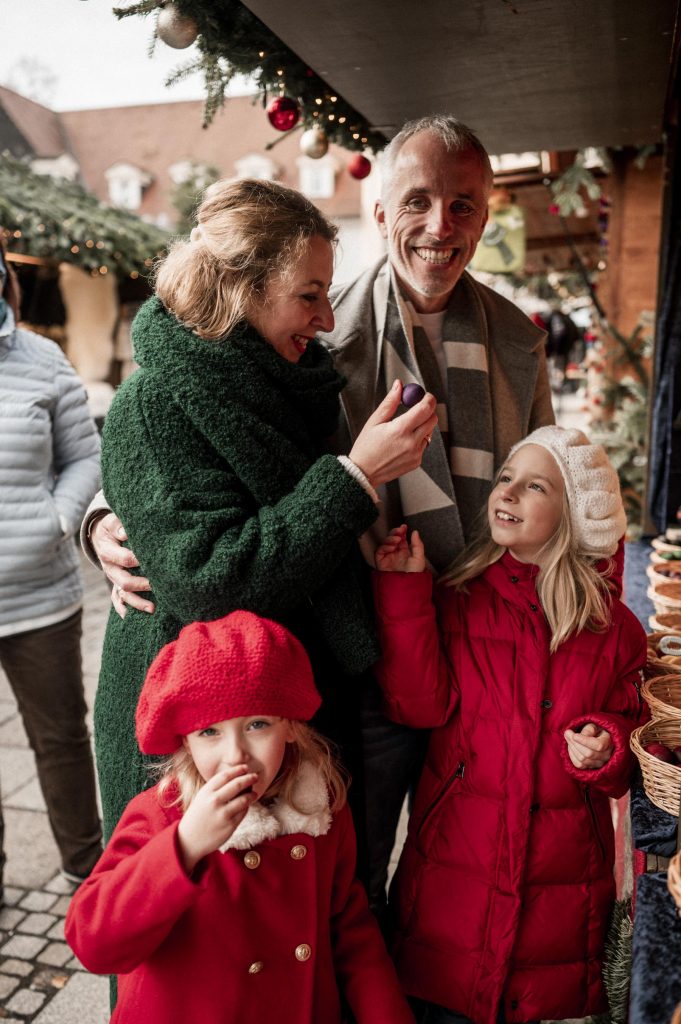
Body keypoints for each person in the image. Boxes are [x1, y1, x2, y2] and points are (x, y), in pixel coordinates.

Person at [82, 115, 555, 911]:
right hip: (303, 678)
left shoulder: (509, 340)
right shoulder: (306, 341)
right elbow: (174, 468)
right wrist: (102, 516)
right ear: (377, 211)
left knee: (442, 870)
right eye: (417, 201)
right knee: (312, 892)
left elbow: (202, 470)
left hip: (460, 645)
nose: (440, 227)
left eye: (464, 204)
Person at [89, 177, 437, 854]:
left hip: (281, 707)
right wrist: (356, 476)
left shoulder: (283, 382)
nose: (327, 320)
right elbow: (206, 584)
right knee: (202, 936)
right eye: (309, 296)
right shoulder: (155, 404)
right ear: (241, 288)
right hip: (195, 726)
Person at [372, 426, 647, 1024]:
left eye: (535, 485)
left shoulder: (615, 630)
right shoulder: (459, 599)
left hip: (561, 893)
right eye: (505, 479)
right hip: (456, 877)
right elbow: (418, 706)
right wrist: (404, 595)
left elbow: (633, 735)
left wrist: (606, 746)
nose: (509, 492)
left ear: (573, 514)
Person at [65, 611, 415, 1024]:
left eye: (257, 725)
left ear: (289, 726)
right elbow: (93, 943)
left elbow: (350, 930)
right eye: (209, 732)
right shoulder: (162, 814)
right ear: (185, 741)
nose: (236, 755)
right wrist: (184, 846)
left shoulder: (320, 811)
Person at [0, 240, 102, 897]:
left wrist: (57, 520)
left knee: (62, 740)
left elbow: (86, 458)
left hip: (40, 598)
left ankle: (86, 868)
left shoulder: (41, 358)